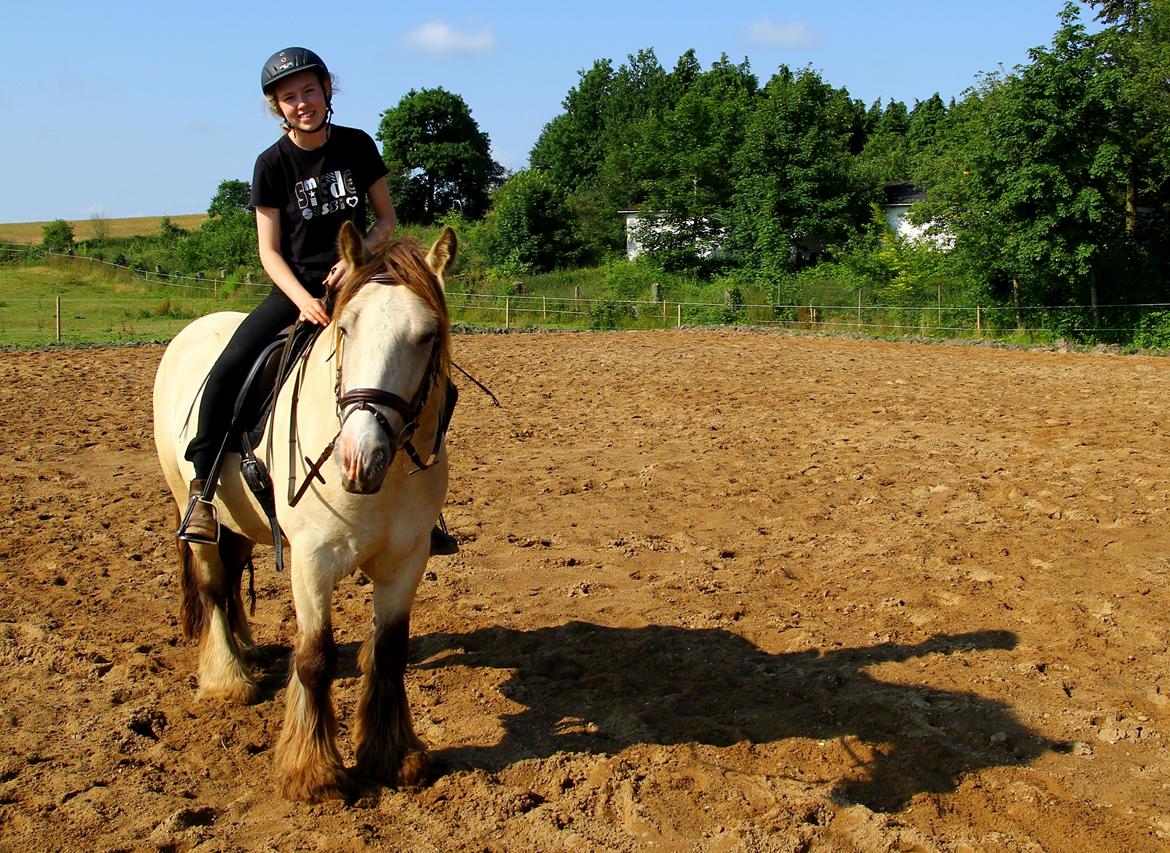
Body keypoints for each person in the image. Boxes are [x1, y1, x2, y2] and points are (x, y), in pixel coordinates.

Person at [179, 47, 458, 556]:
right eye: (289, 97)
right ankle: (202, 492)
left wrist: (359, 260)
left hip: (361, 286)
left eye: (309, 91)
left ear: (327, 91)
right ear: (277, 107)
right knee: (228, 370)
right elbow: (268, 251)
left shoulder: (357, 146)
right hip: (297, 292)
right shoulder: (271, 165)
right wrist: (303, 299)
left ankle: (424, 508)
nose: (301, 103)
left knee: (438, 383)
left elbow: (386, 223)